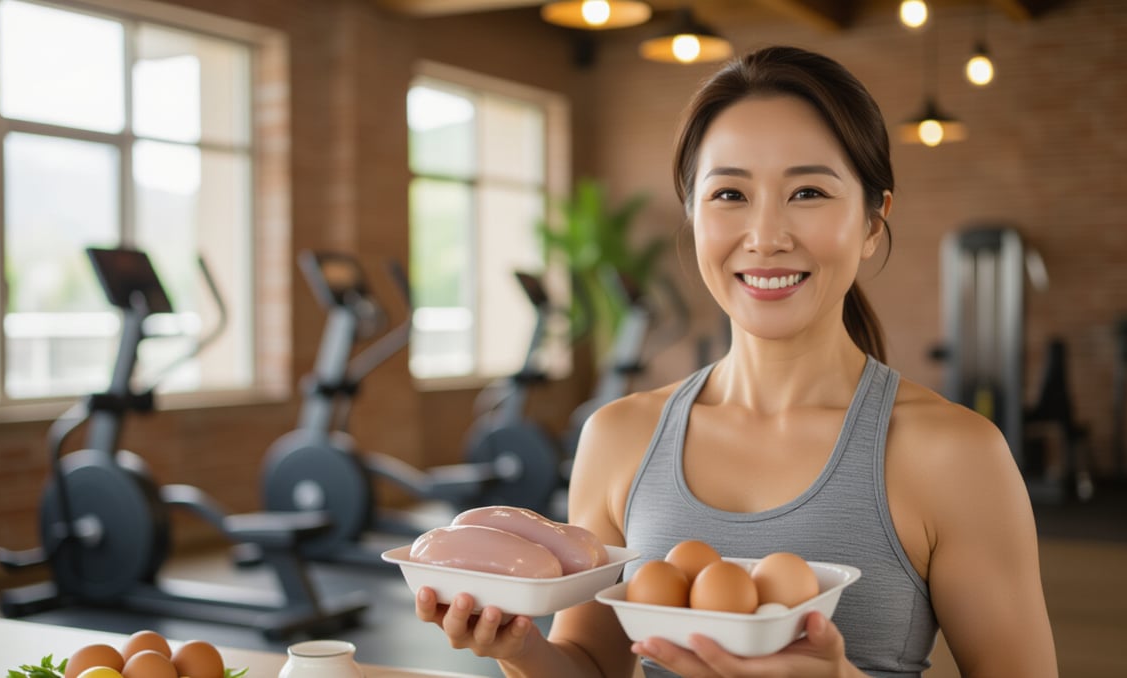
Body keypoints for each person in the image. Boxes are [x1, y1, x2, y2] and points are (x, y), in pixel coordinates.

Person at [415, 45, 1057, 678]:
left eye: (808, 192)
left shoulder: (955, 453)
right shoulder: (618, 438)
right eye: (729, 195)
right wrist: (519, 647)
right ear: (694, 216)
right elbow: (593, 669)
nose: (766, 236)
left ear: (871, 221)